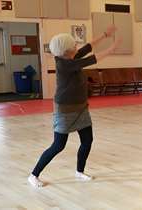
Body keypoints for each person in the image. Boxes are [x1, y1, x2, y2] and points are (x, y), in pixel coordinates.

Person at [28, 26, 121, 188]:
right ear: (66, 51)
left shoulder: (70, 58)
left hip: (81, 108)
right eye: (73, 46)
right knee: (58, 145)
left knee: (87, 140)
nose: (76, 48)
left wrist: (105, 35)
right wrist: (112, 48)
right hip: (64, 110)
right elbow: (92, 58)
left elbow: (88, 47)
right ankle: (33, 175)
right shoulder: (64, 64)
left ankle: (79, 171)